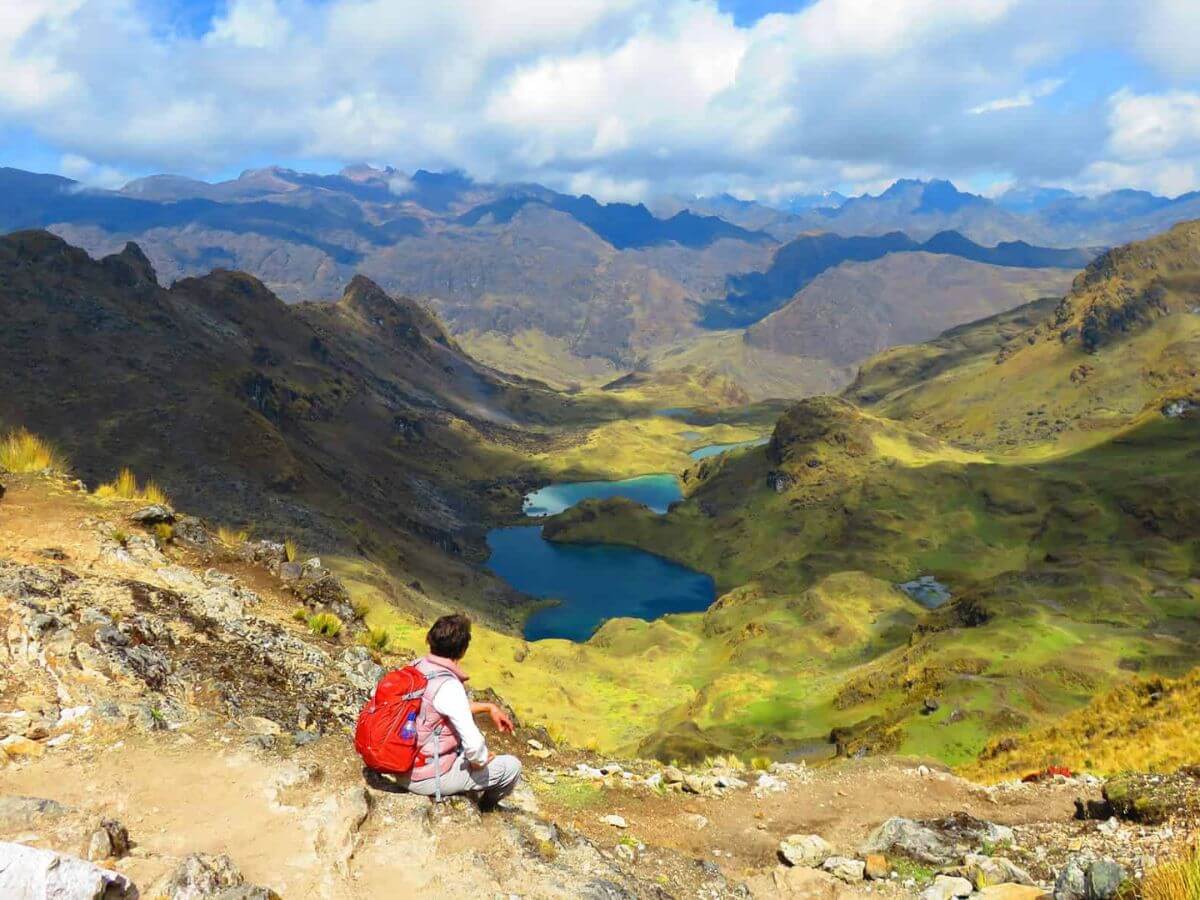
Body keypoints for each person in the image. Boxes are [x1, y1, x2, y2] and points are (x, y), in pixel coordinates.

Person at [399, 613, 522, 809]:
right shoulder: (448, 685)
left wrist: (488, 707)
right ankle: (486, 809)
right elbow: (474, 745)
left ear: (430, 639)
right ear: (462, 650)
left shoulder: (416, 668)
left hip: (400, 764)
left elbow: (439, 707)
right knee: (512, 767)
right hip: (424, 777)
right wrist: (479, 762)